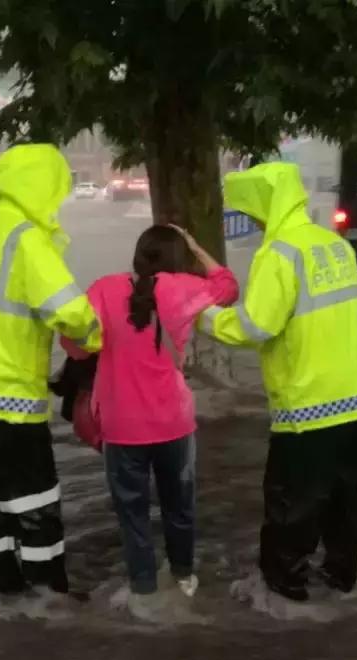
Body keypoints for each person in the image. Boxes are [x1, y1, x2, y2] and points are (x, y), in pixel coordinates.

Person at [199, 162, 357, 602]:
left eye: (252, 210)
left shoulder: (278, 254)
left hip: (310, 405)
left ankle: (283, 595)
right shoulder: (334, 245)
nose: (252, 219)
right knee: (342, 498)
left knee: (290, 504)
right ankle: (341, 580)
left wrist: (201, 316)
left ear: (266, 206)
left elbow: (255, 326)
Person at [0, 144, 101, 596]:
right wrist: (96, 339)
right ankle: (47, 596)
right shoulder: (27, 240)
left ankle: (3, 589)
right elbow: (71, 312)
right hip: (8, 396)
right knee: (34, 501)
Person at [63, 225, 239, 602]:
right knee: (179, 508)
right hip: (174, 423)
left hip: (121, 426)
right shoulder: (184, 288)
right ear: (177, 258)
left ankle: (143, 591)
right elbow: (228, 286)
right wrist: (195, 246)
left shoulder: (103, 289)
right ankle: (184, 579)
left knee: (133, 516)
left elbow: (74, 344)